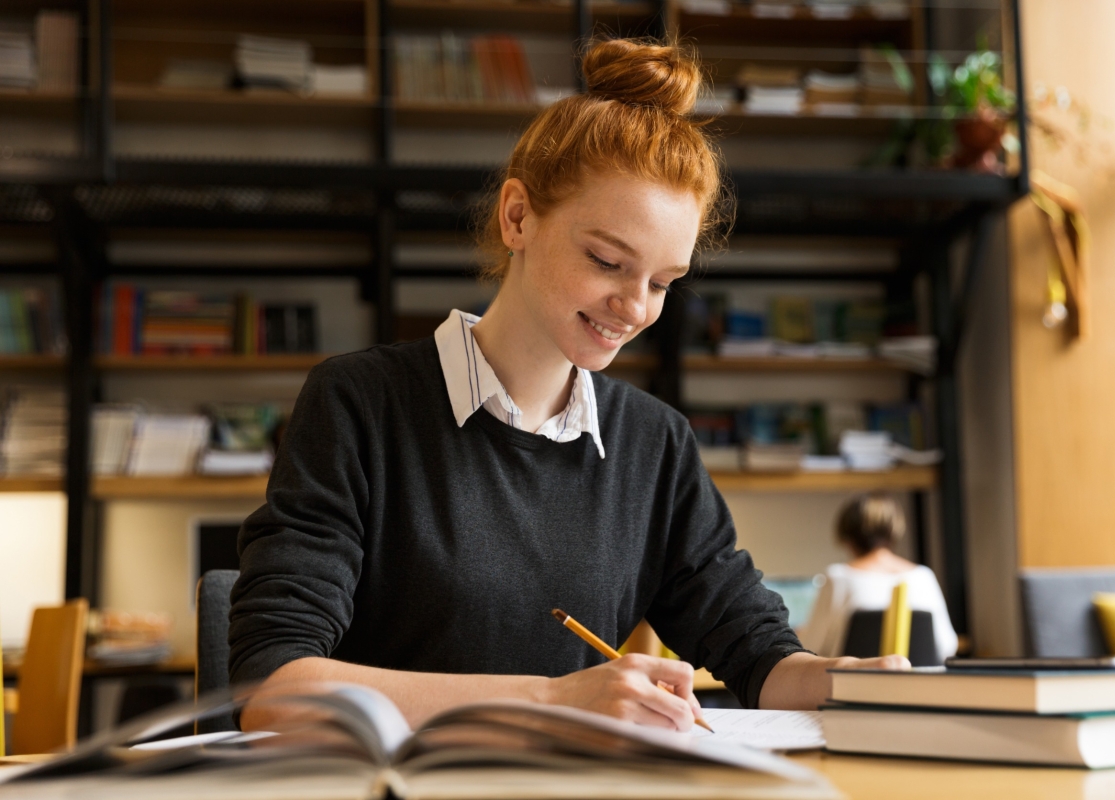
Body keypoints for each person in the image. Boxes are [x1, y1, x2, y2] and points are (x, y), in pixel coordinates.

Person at [228, 38, 907, 734]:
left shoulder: (653, 443)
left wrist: (844, 679)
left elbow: (761, 658)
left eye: (663, 283)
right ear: (517, 216)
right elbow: (272, 687)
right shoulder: (360, 405)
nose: (636, 307)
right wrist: (554, 699)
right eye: (609, 261)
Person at [800, 494, 958, 663]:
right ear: (894, 531)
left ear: (847, 536)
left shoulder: (838, 577)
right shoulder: (923, 576)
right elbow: (947, 646)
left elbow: (811, 647)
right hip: (919, 687)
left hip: (851, 687)